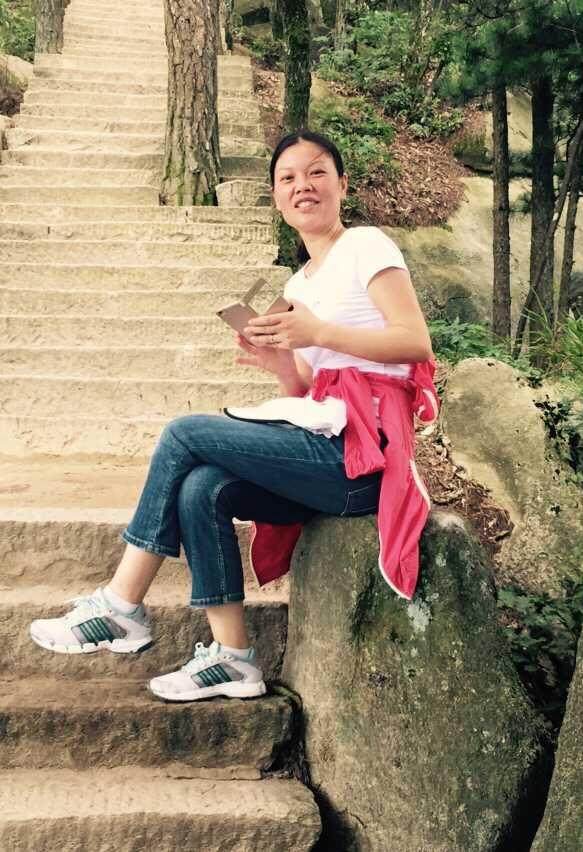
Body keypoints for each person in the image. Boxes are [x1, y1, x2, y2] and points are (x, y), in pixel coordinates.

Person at [28, 128, 437, 703]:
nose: (302, 185)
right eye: (287, 178)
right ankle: (232, 658)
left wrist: (318, 332)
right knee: (202, 486)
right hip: (322, 442)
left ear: (342, 185)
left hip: (365, 459)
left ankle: (121, 604)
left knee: (184, 434)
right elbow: (310, 389)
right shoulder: (299, 282)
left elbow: (414, 342)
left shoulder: (366, 245)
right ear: (276, 198)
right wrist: (280, 364)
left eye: (316, 172)